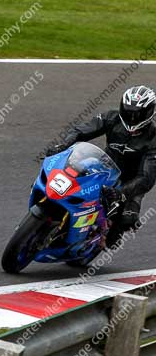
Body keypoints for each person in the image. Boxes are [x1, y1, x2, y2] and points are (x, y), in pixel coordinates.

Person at [44, 85, 156, 246]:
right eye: (128, 111)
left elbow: (146, 178)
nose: (132, 117)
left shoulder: (153, 138)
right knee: (69, 171)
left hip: (130, 181)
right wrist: (62, 145)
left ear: (149, 112)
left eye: (137, 114)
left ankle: (102, 237)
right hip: (104, 164)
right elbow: (81, 131)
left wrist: (120, 192)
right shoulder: (111, 117)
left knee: (127, 219)